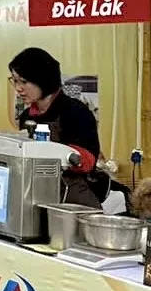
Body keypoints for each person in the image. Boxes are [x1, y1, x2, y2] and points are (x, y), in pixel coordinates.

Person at [9, 47, 102, 208]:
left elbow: (88, 161)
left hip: (73, 198)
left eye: (23, 81)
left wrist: (55, 152)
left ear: (42, 79)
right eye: (15, 80)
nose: (18, 88)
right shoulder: (26, 117)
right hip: (35, 194)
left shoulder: (76, 112)